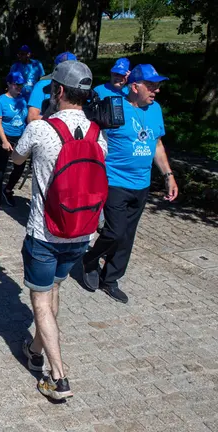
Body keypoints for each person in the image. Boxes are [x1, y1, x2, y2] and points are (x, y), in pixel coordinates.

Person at [11, 60, 107, 401]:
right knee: (52, 292)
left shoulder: (40, 129)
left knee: (39, 300)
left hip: (44, 232)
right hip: (80, 233)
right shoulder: (99, 134)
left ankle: (58, 377)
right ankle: (35, 350)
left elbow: (17, 160)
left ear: (59, 91)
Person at [82, 64, 178, 304]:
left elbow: (156, 144)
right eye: (152, 85)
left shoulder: (155, 109)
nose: (156, 90)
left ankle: (111, 279)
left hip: (141, 184)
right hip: (114, 181)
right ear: (135, 86)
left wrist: (168, 175)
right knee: (113, 231)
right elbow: (93, 141)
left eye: (157, 85)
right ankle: (90, 260)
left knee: (127, 236)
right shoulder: (114, 107)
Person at [0, 71, 28, 206]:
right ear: (9, 84)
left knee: (20, 165)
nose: (19, 87)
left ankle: (8, 189)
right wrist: (4, 141)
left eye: (21, 85)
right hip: (4, 137)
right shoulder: (1, 101)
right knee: (2, 165)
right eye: (16, 85)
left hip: (19, 136)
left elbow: (26, 119)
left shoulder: (22, 99)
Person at [27, 52, 77, 123]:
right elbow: (31, 118)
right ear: (55, 68)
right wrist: (60, 123)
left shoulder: (79, 88)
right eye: (64, 70)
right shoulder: (42, 85)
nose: (68, 73)